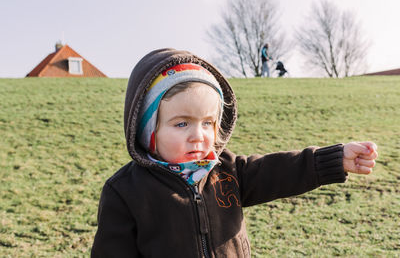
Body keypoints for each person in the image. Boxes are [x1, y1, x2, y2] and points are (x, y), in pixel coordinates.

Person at [91, 48, 378, 258]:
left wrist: (333, 159)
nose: (198, 135)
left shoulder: (226, 170)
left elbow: (278, 170)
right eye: (181, 123)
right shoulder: (125, 191)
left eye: (208, 123)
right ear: (147, 130)